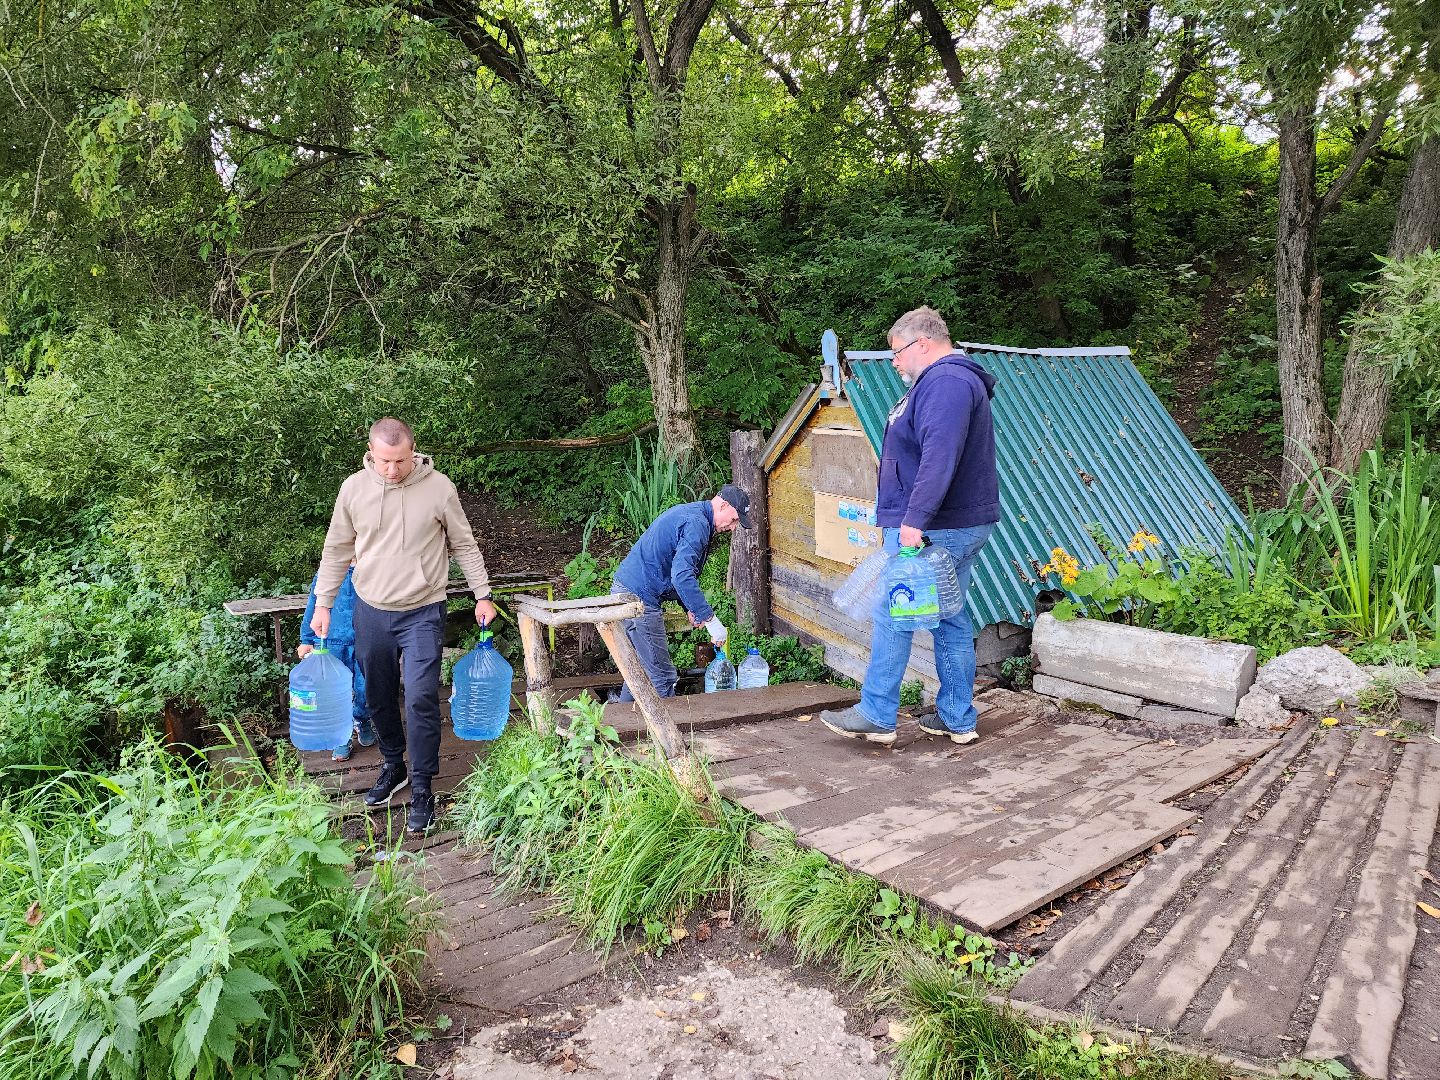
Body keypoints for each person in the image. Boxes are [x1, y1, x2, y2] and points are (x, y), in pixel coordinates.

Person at [820, 306, 1000, 747]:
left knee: (892, 613)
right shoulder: (940, 385)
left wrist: (913, 520)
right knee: (950, 620)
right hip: (949, 525)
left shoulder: (947, 383)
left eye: (898, 352)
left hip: (934, 529)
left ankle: (877, 714)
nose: (895, 361)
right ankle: (958, 719)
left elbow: (941, 456)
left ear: (923, 343)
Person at [310, 417, 497, 833]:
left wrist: (482, 594)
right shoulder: (354, 489)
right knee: (378, 695)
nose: (391, 470)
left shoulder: (439, 489)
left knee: (420, 698)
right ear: (370, 454)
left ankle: (423, 785)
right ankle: (393, 765)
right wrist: (322, 605)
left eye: (399, 461)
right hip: (371, 609)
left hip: (423, 610)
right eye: (383, 461)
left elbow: (464, 543)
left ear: (414, 452)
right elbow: (337, 548)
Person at [610, 484, 753, 700]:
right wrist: (710, 620)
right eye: (733, 519)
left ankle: (623, 727)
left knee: (637, 668)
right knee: (662, 676)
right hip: (639, 600)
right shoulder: (698, 524)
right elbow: (681, 576)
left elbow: (676, 572)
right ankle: (666, 733)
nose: (733, 527)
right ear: (723, 505)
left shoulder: (693, 514)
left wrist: (689, 607)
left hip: (623, 590)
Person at [298, 561, 377, 761]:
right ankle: (341, 736)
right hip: (330, 641)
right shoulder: (328, 572)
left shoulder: (374, 567)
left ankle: (362, 719)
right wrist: (307, 639)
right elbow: (313, 605)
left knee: (366, 687)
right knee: (334, 691)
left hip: (365, 640)